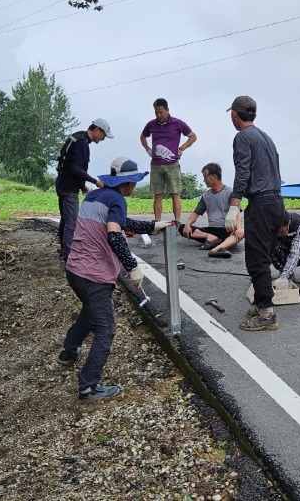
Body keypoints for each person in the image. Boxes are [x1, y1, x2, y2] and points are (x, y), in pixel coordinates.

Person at [58, 157, 170, 400]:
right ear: (127, 183)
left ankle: (69, 351)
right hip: (94, 275)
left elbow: (121, 223)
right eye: (133, 182)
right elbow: (115, 236)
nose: (134, 186)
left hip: (74, 269)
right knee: (106, 329)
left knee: (89, 313)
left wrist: (152, 226)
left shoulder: (95, 196)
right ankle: (88, 386)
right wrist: (133, 266)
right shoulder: (118, 200)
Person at [225, 95, 285, 331]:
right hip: (276, 201)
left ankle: (267, 314)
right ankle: (262, 303)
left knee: (256, 261)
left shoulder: (242, 137)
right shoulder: (266, 138)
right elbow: (276, 173)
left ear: (234, 115)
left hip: (260, 203)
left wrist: (234, 206)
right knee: (265, 257)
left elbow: (242, 172)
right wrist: (283, 215)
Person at [55, 119, 113, 260]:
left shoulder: (77, 136)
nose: (103, 139)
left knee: (65, 220)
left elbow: (70, 165)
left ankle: (64, 252)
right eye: (103, 135)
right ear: (97, 130)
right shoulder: (82, 144)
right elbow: (76, 168)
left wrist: (82, 185)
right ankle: (69, 257)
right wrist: (95, 181)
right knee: (72, 223)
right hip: (69, 188)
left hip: (62, 183)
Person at [140, 98, 197, 224]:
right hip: (156, 164)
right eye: (156, 112)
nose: (159, 115)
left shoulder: (177, 123)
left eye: (161, 112)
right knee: (158, 195)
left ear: (167, 110)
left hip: (172, 164)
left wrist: (182, 148)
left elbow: (193, 136)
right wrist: (147, 149)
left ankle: (177, 222)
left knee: (175, 194)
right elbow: (143, 136)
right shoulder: (151, 124)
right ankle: (157, 222)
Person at [178, 163, 244, 258]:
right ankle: (212, 239)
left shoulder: (230, 192)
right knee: (182, 228)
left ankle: (218, 246)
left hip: (227, 230)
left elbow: (236, 212)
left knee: (243, 232)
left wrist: (238, 229)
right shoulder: (205, 196)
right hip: (211, 231)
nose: (204, 180)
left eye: (205, 177)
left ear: (214, 177)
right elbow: (196, 213)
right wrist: (188, 224)